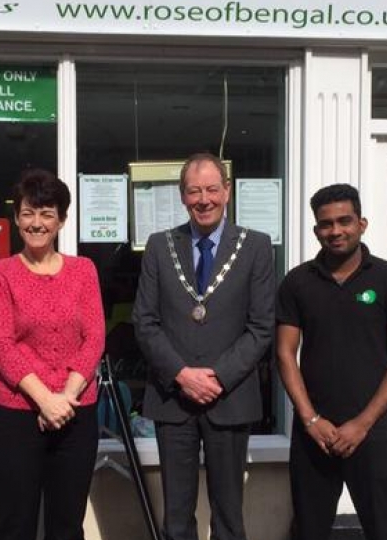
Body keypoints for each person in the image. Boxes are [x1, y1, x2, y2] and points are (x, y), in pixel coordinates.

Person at [133, 152, 275, 540]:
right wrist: (182, 375)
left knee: (229, 515)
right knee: (176, 517)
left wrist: (216, 377)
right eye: (194, 191)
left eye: (212, 189)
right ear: (182, 196)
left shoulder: (257, 247)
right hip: (172, 400)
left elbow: (261, 327)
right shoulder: (160, 246)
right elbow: (144, 322)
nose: (204, 199)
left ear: (227, 192)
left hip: (229, 398)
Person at [276, 184, 387, 540]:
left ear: (362, 223)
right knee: (309, 530)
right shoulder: (297, 282)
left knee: (382, 529)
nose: (335, 231)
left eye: (344, 221)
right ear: (316, 231)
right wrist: (311, 419)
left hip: (373, 432)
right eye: (326, 224)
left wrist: (362, 423)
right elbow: (284, 353)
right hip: (316, 433)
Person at [0, 168, 105, 540]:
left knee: (67, 527)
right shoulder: (0, 273)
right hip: (18, 416)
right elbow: (2, 345)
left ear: (62, 220)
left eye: (47, 213)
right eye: (28, 213)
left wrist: (65, 398)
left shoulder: (83, 270)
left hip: (76, 415)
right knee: (16, 525)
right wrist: (44, 401)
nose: (36, 223)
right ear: (16, 217)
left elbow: (95, 336)